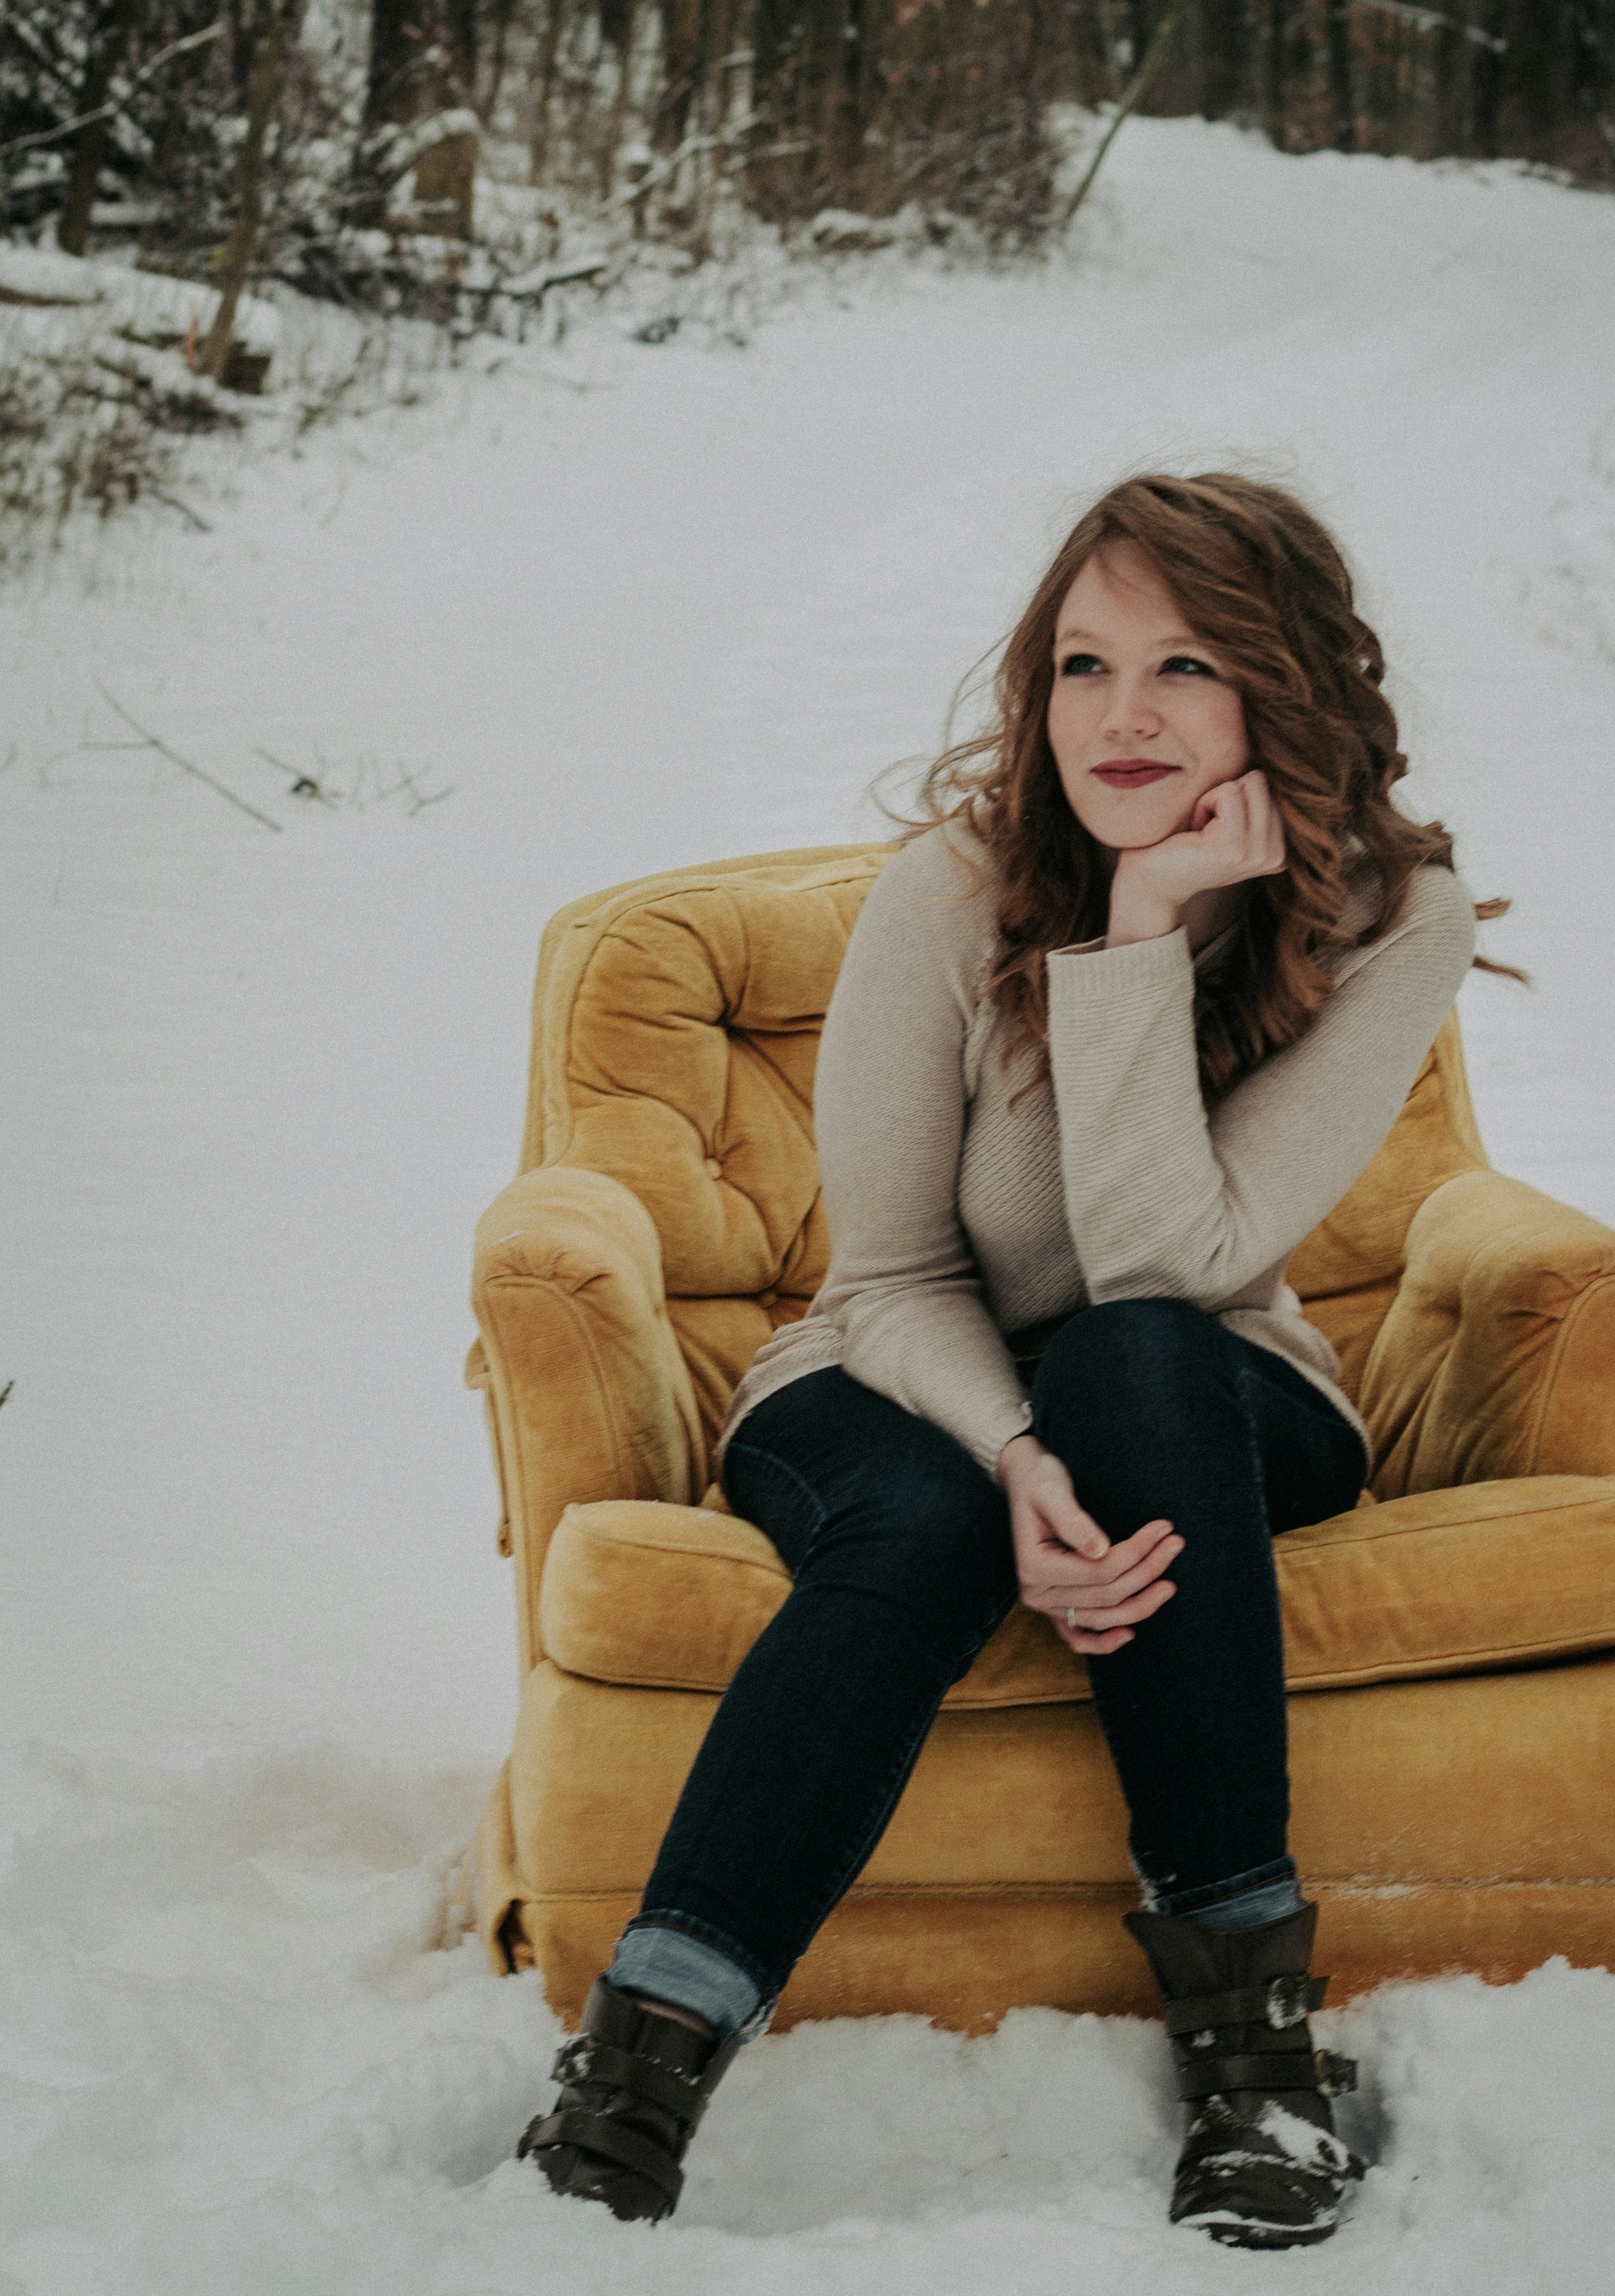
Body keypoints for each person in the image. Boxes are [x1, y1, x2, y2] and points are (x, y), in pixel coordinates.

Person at [517, 471, 1482, 2249]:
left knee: (1132, 1352)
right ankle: (640, 2063)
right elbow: (885, 1276)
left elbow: (1168, 1264)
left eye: (1187, 665)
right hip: (897, 1373)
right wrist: (1018, 1455)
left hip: (1206, 1379)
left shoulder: (1389, 917)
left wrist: (1139, 938)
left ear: (1287, 687)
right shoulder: (952, 890)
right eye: (1082, 663)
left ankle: (1258, 2064)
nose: (1123, 717)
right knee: (937, 1520)